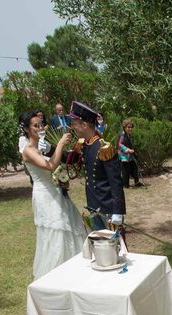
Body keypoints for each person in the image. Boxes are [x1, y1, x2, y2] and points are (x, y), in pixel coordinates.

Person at [20, 111, 87, 279]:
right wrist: (60, 144)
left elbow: (58, 163)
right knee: (56, 229)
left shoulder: (41, 146)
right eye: (36, 125)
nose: (40, 128)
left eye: (41, 124)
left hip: (55, 190)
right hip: (44, 195)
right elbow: (49, 166)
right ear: (27, 129)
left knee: (71, 224)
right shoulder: (28, 150)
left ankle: (75, 270)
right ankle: (56, 276)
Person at [69, 101, 126, 230]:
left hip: (108, 208)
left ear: (84, 125)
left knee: (115, 247)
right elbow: (69, 159)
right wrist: (50, 149)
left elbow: (116, 182)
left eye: (74, 124)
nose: (72, 127)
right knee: (100, 246)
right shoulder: (83, 144)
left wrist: (118, 211)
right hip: (93, 205)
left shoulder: (104, 148)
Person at [118, 118, 142, 188]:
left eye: (131, 127)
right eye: (128, 127)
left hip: (130, 156)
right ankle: (126, 185)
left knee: (134, 168)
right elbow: (120, 144)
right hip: (124, 156)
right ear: (124, 127)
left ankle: (137, 182)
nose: (130, 129)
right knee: (126, 171)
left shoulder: (128, 134)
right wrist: (127, 149)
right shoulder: (122, 135)